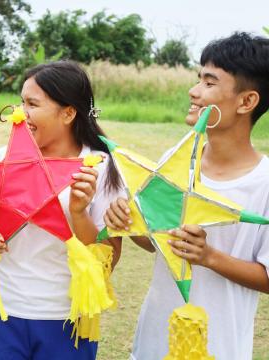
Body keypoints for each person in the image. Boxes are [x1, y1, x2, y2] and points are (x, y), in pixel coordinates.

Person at [104, 32, 269, 360]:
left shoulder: (264, 182)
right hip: (154, 342)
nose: (194, 92)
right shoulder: (177, 161)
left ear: (246, 101)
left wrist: (209, 256)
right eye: (198, 79)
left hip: (220, 349)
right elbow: (156, 242)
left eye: (209, 82)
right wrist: (131, 222)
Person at [0, 60, 122, 359]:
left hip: (67, 318)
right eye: (20, 102)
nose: (20, 113)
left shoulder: (99, 167)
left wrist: (77, 213)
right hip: (3, 312)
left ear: (68, 113)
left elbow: (108, 261)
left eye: (32, 104)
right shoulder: (6, 158)